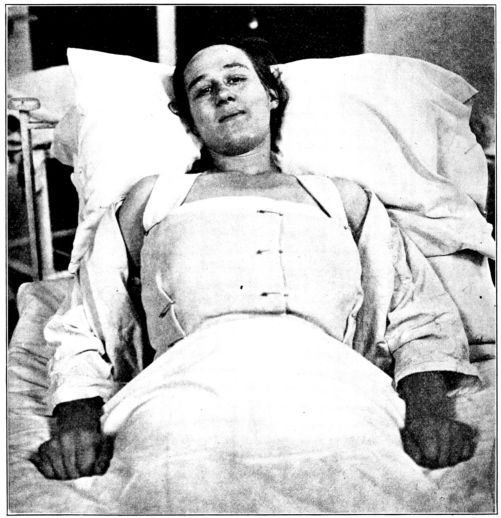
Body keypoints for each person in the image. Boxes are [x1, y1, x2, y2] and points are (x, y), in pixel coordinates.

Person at [34, 37, 478, 513]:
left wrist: (428, 411)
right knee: (178, 482)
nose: (222, 93)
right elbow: (86, 321)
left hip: (332, 383)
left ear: (270, 94)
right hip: (181, 391)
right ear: (189, 118)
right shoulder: (151, 198)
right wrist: (76, 422)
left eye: (235, 78)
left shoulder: (343, 198)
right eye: (202, 89)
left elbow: (417, 313)